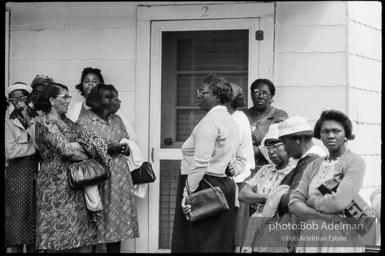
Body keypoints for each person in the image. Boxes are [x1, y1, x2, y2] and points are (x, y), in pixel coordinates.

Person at [171, 74, 245, 253]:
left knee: (199, 242)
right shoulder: (231, 122)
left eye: (202, 92)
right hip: (223, 186)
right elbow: (240, 160)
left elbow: (200, 162)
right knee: (217, 242)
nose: (198, 96)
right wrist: (233, 167)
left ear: (218, 96)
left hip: (203, 186)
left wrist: (186, 194)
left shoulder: (210, 122)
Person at [289, 110, 366, 252]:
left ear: (346, 135)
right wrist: (321, 215)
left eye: (336, 131)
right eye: (325, 132)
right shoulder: (314, 165)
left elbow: (339, 202)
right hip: (311, 235)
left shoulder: (354, 162)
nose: (330, 136)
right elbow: (294, 203)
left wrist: (311, 201)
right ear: (320, 135)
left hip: (340, 236)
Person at [76, 83, 139, 253]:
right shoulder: (85, 121)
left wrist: (126, 148)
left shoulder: (116, 120)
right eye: (115, 98)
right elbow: (82, 149)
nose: (119, 102)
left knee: (116, 221)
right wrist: (105, 150)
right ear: (103, 101)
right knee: (95, 220)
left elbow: (125, 139)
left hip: (119, 177)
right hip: (97, 177)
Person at [34, 82, 97, 252]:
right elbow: (66, 150)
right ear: (52, 100)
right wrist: (85, 152)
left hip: (74, 183)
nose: (69, 100)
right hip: (54, 185)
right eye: (65, 97)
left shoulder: (67, 122)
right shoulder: (44, 122)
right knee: (56, 233)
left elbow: (87, 142)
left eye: (69, 96)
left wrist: (80, 147)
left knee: (79, 232)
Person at [5, 82, 40, 253]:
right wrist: (33, 147)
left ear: (29, 98)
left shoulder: (37, 117)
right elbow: (10, 151)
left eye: (22, 98)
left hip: (37, 172)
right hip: (17, 174)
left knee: (34, 219)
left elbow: (41, 140)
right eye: (13, 99)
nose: (17, 102)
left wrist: (28, 119)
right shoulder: (7, 119)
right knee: (17, 221)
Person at [68, 67, 137, 142]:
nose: (90, 83)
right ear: (82, 85)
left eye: (95, 81)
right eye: (87, 81)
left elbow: (132, 137)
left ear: (101, 87)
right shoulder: (75, 110)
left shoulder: (115, 113)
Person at [276, 116, 326, 216]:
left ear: (297, 139)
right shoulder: (312, 157)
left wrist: (276, 197)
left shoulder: (311, 160)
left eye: (285, 142)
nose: (284, 148)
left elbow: (289, 201)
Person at [226, 83, 255, 252]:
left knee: (237, 229)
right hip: (239, 176)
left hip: (238, 178)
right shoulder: (239, 116)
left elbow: (232, 151)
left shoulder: (236, 119)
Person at [244, 78, 288, 172]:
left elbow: (276, 142)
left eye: (265, 93)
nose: (261, 96)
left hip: (269, 169)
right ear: (251, 95)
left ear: (271, 97)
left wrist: (251, 150)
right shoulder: (242, 115)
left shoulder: (279, 115)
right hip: (243, 170)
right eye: (257, 92)